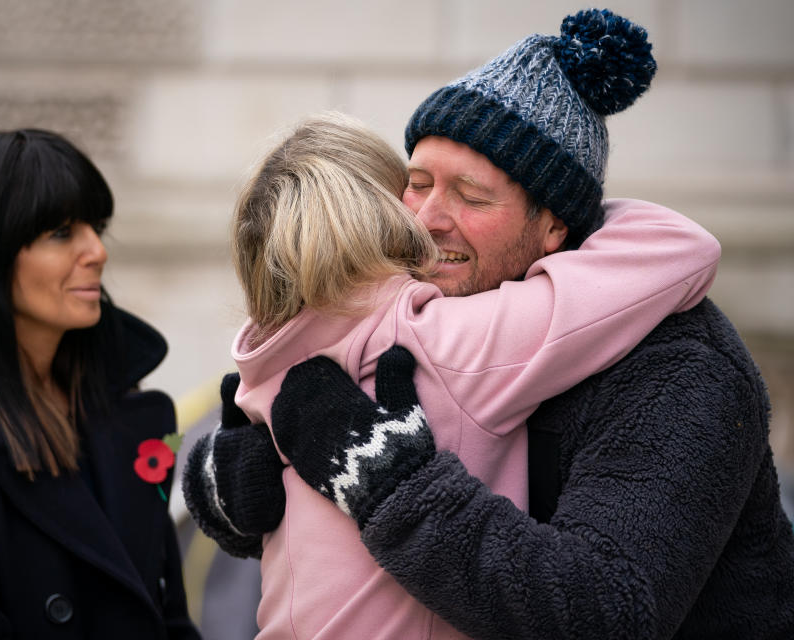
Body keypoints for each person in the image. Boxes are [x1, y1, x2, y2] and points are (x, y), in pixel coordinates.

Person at [184, 8, 794, 639]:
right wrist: (235, 485)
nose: (427, 219)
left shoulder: (680, 369)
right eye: (415, 184)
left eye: (472, 197)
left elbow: (609, 614)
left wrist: (394, 487)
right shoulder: (421, 320)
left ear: (556, 226)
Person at [0, 129, 201, 639]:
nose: (97, 250)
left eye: (95, 226)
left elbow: (169, 620)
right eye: (61, 233)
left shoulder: (128, 410)